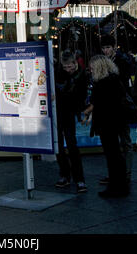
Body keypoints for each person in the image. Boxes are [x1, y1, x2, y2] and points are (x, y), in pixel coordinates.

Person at [84, 55, 129, 198]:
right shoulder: (114, 79)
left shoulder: (103, 83)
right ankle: (120, 185)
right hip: (115, 122)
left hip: (107, 123)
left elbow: (99, 104)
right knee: (116, 154)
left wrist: (89, 113)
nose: (90, 70)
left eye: (92, 68)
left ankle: (116, 186)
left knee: (112, 155)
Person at [100, 35, 133, 184]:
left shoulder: (121, 61)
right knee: (113, 143)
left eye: (107, 47)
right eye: (104, 48)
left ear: (113, 47)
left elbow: (124, 84)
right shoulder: (107, 62)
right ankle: (116, 173)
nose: (106, 50)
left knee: (124, 141)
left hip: (120, 105)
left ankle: (126, 173)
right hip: (112, 106)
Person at [55, 50, 88, 193]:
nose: (68, 69)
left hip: (69, 112)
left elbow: (81, 96)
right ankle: (64, 174)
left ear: (75, 63)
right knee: (58, 145)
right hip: (58, 111)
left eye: (70, 66)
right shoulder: (59, 73)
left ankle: (79, 178)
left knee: (72, 144)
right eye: (65, 67)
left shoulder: (81, 75)